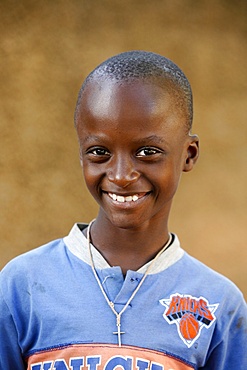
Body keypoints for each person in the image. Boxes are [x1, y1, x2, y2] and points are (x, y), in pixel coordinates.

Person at [0, 51, 246, 370]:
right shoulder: (22, 285)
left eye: (147, 152)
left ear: (189, 154)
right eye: (99, 152)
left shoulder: (219, 302)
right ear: (81, 155)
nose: (120, 175)